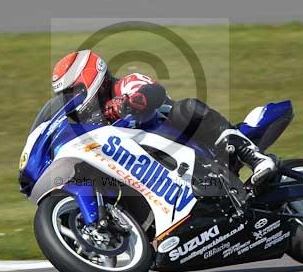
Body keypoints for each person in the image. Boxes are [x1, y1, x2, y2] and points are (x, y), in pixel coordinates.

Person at [51, 50, 278, 191]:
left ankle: (256, 159)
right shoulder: (90, 120)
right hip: (151, 171)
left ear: (90, 78)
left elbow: (154, 92)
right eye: (66, 96)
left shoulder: (125, 84)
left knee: (188, 108)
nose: (71, 99)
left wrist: (128, 104)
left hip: (181, 140)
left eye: (73, 92)